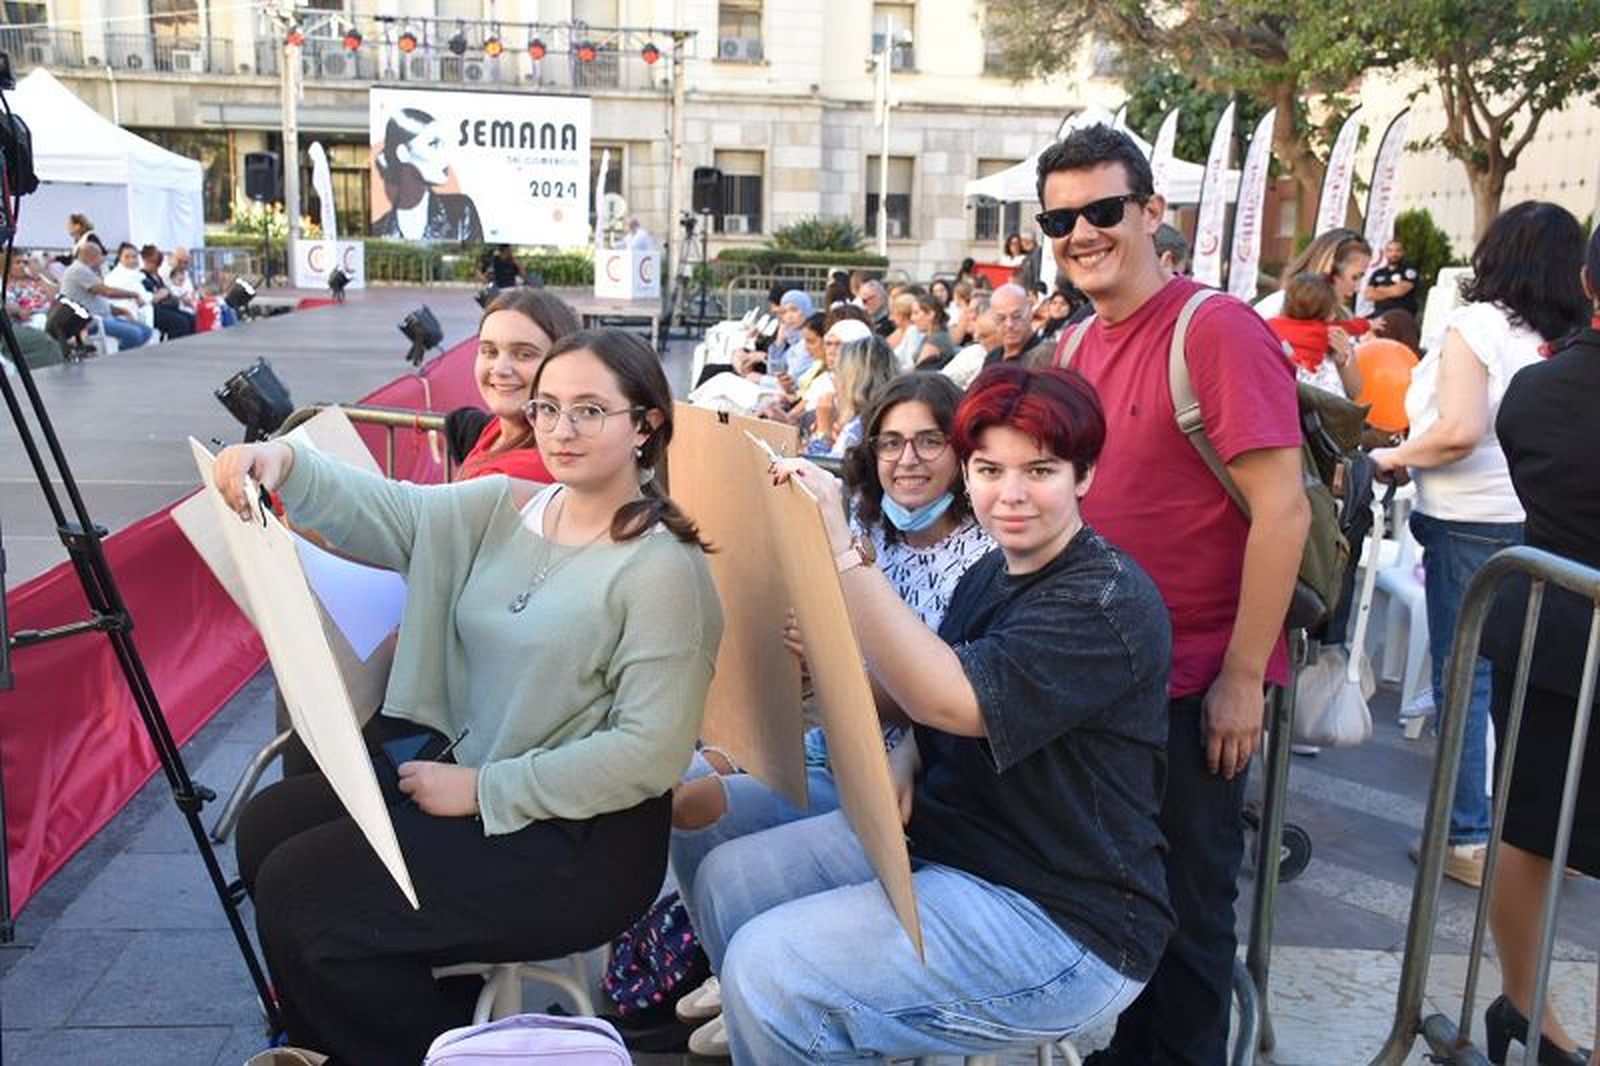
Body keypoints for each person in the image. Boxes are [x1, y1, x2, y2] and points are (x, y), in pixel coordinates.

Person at [215, 328, 723, 1064]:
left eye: (589, 411)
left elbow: (649, 753)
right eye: (548, 409)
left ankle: (409, 1044)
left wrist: (485, 790)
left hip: (579, 842)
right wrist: (285, 462)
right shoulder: (505, 509)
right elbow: (391, 512)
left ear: (645, 426)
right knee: (268, 828)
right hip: (476, 780)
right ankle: (395, 1027)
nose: (560, 429)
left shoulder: (664, 571)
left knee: (307, 895)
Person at [694, 363, 1174, 1064]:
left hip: (1063, 919)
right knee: (727, 879)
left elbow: (948, 696)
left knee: (772, 973)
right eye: (989, 469)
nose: (1010, 495)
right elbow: (936, 700)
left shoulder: (1103, 601)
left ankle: (781, 1025)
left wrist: (838, 549)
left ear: (1085, 476)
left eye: (1038, 471)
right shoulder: (992, 569)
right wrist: (906, 753)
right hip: (951, 848)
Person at [1038, 124, 1308, 1065]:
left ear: (1154, 213)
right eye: (1061, 218)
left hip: (1198, 687)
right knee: (1120, 902)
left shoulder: (1216, 329)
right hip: (1100, 686)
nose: (1082, 233)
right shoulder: (1071, 348)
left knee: (1191, 916)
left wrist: (1243, 679)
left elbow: (1282, 513)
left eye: (1104, 210)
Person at [668, 372, 995, 1051]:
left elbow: (937, 700)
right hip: (838, 748)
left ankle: (759, 990)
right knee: (687, 803)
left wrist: (828, 658)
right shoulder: (866, 526)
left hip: (907, 789)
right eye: (891, 442)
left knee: (737, 870)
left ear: (961, 452)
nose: (907, 459)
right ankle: (730, 969)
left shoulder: (984, 556)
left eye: (928, 441)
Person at [1371, 201, 1589, 889]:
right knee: (1535, 692)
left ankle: (1467, 834)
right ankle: (1539, 843)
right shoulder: (1568, 336)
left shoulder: (1478, 326)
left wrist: (1390, 459)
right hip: (1540, 521)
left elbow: (1460, 429)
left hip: (1468, 520)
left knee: (1465, 682)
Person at [1477, 221, 1600, 1066]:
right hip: (1553, 634)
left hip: (1548, 633)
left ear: (1588, 284)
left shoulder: (1535, 390)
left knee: (1527, 831)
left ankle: (1525, 1009)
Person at [448, 288, 582, 483]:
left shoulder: (520, 475)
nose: (501, 369)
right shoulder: (500, 427)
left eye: (524, 354)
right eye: (489, 351)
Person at [371, 107, 484, 242]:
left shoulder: (461, 212)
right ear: (403, 153)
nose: (445, 155)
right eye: (433, 144)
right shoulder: (379, 230)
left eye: (443, 145)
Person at [1266, 272, 1369, 397]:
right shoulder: (1272, 334)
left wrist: (1343, 361)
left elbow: (1355, 390)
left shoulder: (1335, 335)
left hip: (1323, 407)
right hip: (1321, 407)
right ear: (1329, 313)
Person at [807, 334, 898, 458]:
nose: (835, 382)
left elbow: (817, 472)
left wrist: (823, 431)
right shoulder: (893, 413)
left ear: (851, 380)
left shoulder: (859, 426)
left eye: (838, 373)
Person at [1253, 227, 1372, 320]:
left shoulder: (1343, 316)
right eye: (1355, 277)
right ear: (1329, 268)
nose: (1358, 288)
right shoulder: (1275, 306)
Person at [58, 238, 153, 350]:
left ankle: (127, 358)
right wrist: (134, 295)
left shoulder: (86, 271)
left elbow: (97, 300)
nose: (103, 260)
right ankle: (122, 361)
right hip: (90, 322)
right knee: (134, 334)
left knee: (146, 331)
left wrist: (122, 311)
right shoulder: (78, 270)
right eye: (101, 256)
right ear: (92, 256)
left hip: (104, 317)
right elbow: (108, 292)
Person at [137, 246, 196, 338]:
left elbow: (167, 291)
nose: (156, 265)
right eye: (153, 262)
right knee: (181, 322)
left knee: (191, 319)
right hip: (153, 309)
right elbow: (149, 296)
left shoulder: (157, 276)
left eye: (158, 262)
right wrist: (161, 294)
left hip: (167, 305)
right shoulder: (142, 276)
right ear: (145, 260)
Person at [983, 283, 1045, 366]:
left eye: (1016, 316)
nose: (1009, 324)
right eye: (1001, 318)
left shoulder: (1043, 357)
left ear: (1030, 312)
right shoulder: (992, 358)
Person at [1364, 238, 1420, 317]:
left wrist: (1380, 289)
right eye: (1390, 251)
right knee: (1359, 325)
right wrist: (1391, 290)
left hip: (1401, 315)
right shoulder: (1378, 273)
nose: (1394, 254)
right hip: (1379, 314)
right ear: (1385, 253)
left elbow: (1399, 291)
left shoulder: (1409, 270)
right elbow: (1369, 295)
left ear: (1403, 252)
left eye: (1398, 250)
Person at [909, 292, 957, 369]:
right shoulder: (931, 336)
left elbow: (917, 371)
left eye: (916, 313)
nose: (912, 318)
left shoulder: (936, 340)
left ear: (930, 314)